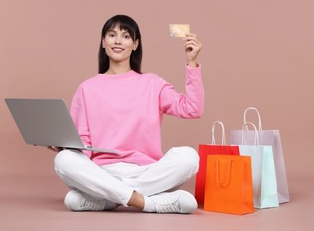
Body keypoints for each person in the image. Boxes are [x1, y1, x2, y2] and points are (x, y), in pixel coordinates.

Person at [49, 14, 204, 214]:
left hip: (145, 172)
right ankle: (146, 202)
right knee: (63, 160)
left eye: (125, 36)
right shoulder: (87, 88)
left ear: (135, 44)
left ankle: (108, 199)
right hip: (102, 171)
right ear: (103, 42)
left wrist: (192, 64)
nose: (118, 41)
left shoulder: (152, 83)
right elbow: (84, 144)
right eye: (112, 35)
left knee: (189, 157)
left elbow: (192, 109)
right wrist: (66, 147)